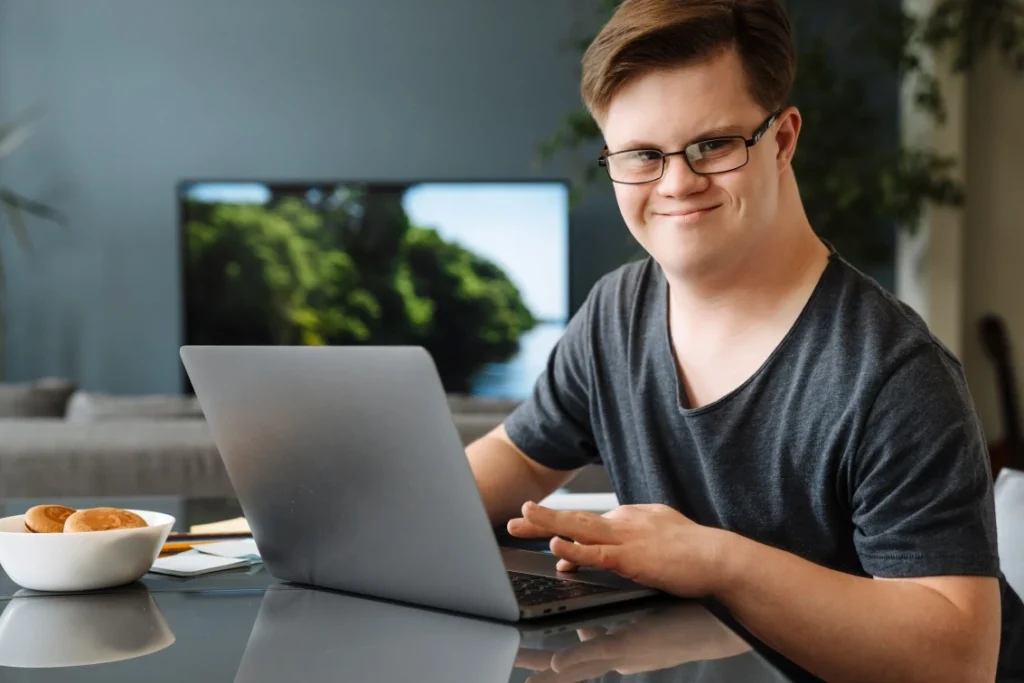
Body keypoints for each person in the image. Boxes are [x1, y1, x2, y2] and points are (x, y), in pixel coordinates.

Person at [465, 1, 1020, 682]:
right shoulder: (616, 311)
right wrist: (367, 517)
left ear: (782, 140)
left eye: (713, 145)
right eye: (642, 155)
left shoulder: (895, 373)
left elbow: (960, 661)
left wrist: (713, 558)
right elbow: (516, 459)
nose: (676, 182)